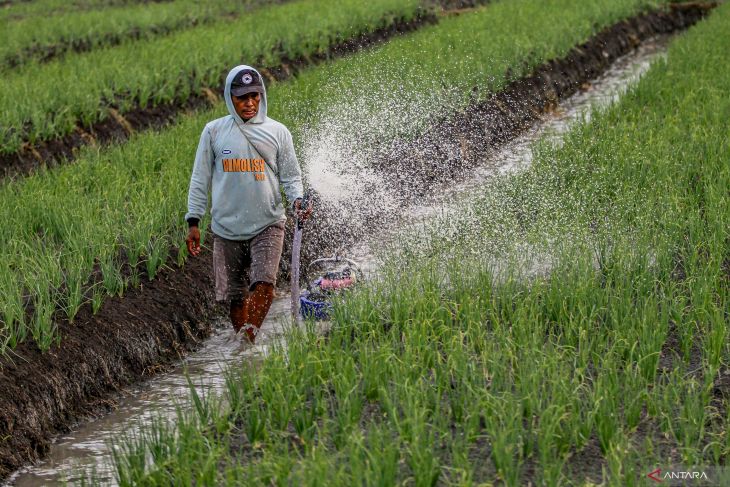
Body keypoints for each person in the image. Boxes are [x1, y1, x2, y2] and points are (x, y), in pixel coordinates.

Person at [184, 64, 311, 343]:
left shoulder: (278, 132)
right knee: (235, 297)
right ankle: (246, 344)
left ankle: (246, 345)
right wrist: (193, 220)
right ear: (231, 98)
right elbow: (199, 178)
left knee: (265, 284)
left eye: (255, 95)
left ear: (261, 95)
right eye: (242, 97)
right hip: (226, 227)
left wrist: (298, 200)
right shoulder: (214, 132)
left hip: (268, 221)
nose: (250, 102)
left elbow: (291, 176)